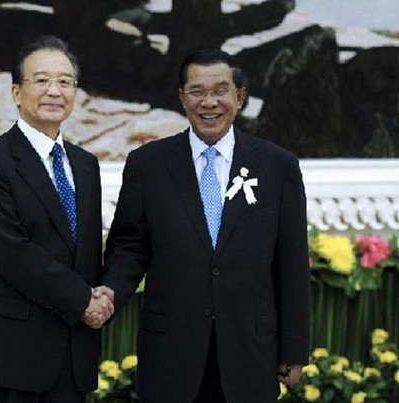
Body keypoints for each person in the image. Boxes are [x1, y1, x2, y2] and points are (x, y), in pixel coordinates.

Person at [101, 49, 310, 402]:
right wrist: (108, 293)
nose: (208, 102)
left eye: (220, 90)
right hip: (171, 351)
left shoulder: (278, 166)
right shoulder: (147, 165)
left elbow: (290, 263)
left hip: (249, 351)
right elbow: (129, 247)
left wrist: (294, 348)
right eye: (197, 91)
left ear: (239, 97)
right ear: (182, 99)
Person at [0, 35, 114, 403]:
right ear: (16, 92)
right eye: (41, 80)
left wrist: (106, 291)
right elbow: (12, 253)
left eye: (65, 82)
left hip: (72, 352)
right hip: (10, 355)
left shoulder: (85, 164)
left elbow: (85, 251)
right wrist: (83, 301)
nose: (54, 91)